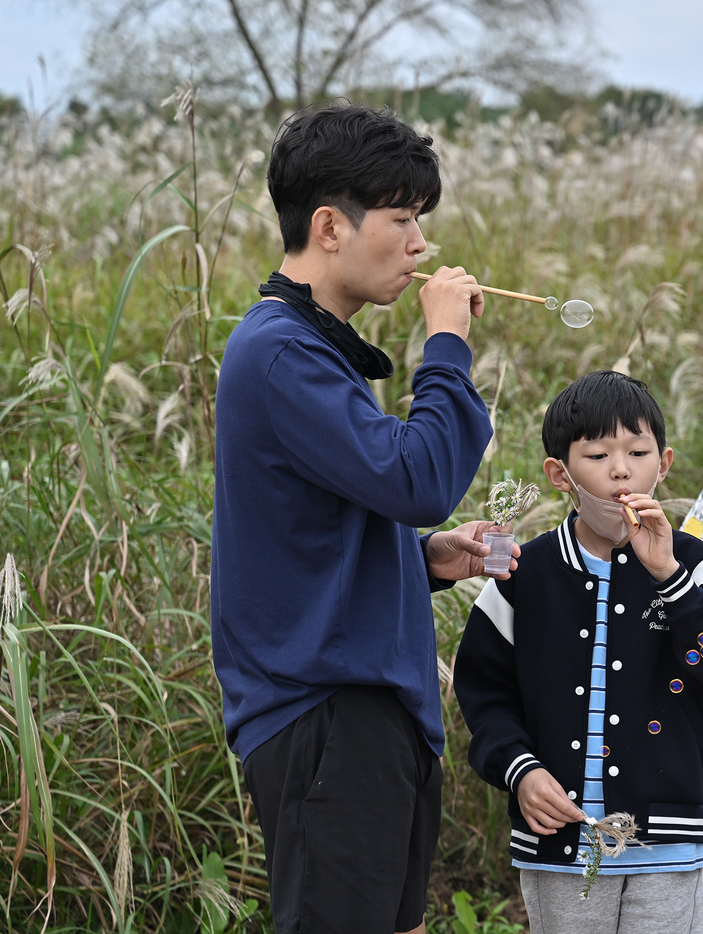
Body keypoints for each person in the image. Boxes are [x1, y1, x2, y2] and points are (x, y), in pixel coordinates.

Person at [211, 103, 508, 934]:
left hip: (370, 708)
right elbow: (418, 479)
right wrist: (444, 344)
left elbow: (309, 536)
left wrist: (420, 560)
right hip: (325, 714)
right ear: (330, 226)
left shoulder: (318, 348)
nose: (422, 245)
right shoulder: (280, 351)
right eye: (405, 219)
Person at [454, 370, 703, 934]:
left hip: (667, 837)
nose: (621, 469)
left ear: (663, 463)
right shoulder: (522, 570)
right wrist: (519, 771)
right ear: (559, 474)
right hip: (560, 839)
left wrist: (668, 575)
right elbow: (482, 691)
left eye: (638, 452)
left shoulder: (690, 563)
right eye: (597, 454)